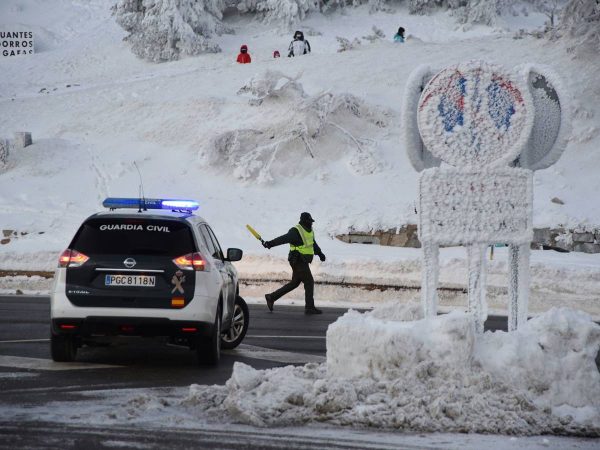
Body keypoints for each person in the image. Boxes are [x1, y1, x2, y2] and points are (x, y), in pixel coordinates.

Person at [262, 212, 326, 314]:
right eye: (310, 221)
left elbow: (312, 243)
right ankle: (309, 307)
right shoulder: (296, 231)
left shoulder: (309, 231)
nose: (311, 223)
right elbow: (283, 239)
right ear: (304, 221)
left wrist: (320, 253)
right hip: (298, 260)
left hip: (301, 260)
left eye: (311, 221)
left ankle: (271, 297)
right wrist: (270, 243)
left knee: (294, 283)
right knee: (309, 282)